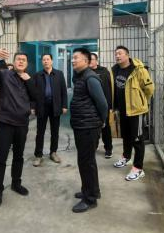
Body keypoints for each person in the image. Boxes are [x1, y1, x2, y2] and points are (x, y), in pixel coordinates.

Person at [0, 48, 38, 207]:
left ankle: (16, 183)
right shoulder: (4, 75)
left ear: (27, 64)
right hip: (5, 123)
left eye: (24, 60)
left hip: (22, 124)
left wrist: (29, 81)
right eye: (18, 59)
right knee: (1, 157)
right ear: (14, 62)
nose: (21, 61)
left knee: (19, 156)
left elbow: (36, 97)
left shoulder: (29, 78)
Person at [70, 48, 108, 213]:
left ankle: (90, 199)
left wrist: (102, 121)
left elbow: (103, 104)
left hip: (89, 127)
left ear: (86, 61)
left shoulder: (90, 78)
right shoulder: (80, 76)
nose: (73, 60)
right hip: (81, 125)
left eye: (76, 58)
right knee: (85, 161)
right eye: (72, 58)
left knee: (87, 162)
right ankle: (90, 190)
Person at [111, 46, 154, 181]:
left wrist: (142, 102)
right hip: (122, 110)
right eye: (116, 54)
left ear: (127, 55)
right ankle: (126, 157)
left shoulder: (138, 70)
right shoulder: (115, 70)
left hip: (136, 111)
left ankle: (138, 168)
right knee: (126, 135)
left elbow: (149, 89)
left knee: (137, 138)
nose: (117, 56)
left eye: (120, 53)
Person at [32, 54, 68, 166]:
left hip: (55, 106)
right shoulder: (37, 75)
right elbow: (33, 93)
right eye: (44, 60)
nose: (46, 61)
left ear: (52, 61)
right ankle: (38, 155)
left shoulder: (59, 74)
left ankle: (53, 152)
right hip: (41, 107)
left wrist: (64, 105)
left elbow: (63, 91)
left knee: (55, 131)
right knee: (40, 132)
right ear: (42, 62)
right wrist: (33, 106)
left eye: (48, 59)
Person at [90, 52, 113, 158]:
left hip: (103, 104)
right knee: (93, 128)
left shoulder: (104, 71)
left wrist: (110, 105)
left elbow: (109, 88)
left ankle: (108, 149)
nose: (90, 61)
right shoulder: (85, 72)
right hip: (91, 106)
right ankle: (93, 146)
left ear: (96, 60)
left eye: (92, 59)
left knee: (105, 127)